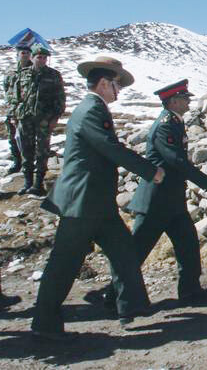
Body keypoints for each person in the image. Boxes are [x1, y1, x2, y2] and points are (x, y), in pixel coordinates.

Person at [31, 56, 165, 340]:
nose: (119, 91)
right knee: (65, 262)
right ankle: (44, 322)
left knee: (124, 251)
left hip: (97, 202)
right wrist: (149, 171)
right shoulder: (92, 110)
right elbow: (110, 148)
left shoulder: (94, 108)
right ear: (104, 83)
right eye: (117, 85)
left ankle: (129, 306)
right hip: (83, 202)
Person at [101, 80, 207, 308]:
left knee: (188, 245)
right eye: (185, 98)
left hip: (172, 200)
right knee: (136, 251)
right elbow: (176, 161)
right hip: (156, 201)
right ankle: (112, 295)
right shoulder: (165, 125)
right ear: (173, 101)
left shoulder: (175, 122)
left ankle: (190, 291)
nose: (188, 102)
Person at [13, 43, 66, 195]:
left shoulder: (54, 75)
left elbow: (60, 98)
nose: (41, 60)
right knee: (26, 150)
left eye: (44, 57)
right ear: (32, 57)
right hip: (25, 118)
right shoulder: (23, 74)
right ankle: (27, 182)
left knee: (42, 151)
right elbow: (16, 96)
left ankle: (38, 184)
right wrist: (16, 114)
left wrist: (55, 117)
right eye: (39, 57)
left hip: (45, 119)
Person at [3, 42, 32, 175]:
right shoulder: (10, 71)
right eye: (22, 52)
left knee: (27, 138)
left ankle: (29, 163)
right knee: (12, 136)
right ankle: (17, 162)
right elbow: (6, 88)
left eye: (27, 52)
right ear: (17, 54)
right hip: (11, 109)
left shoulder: (33, 69)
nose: (24, 54)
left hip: (26, 110)